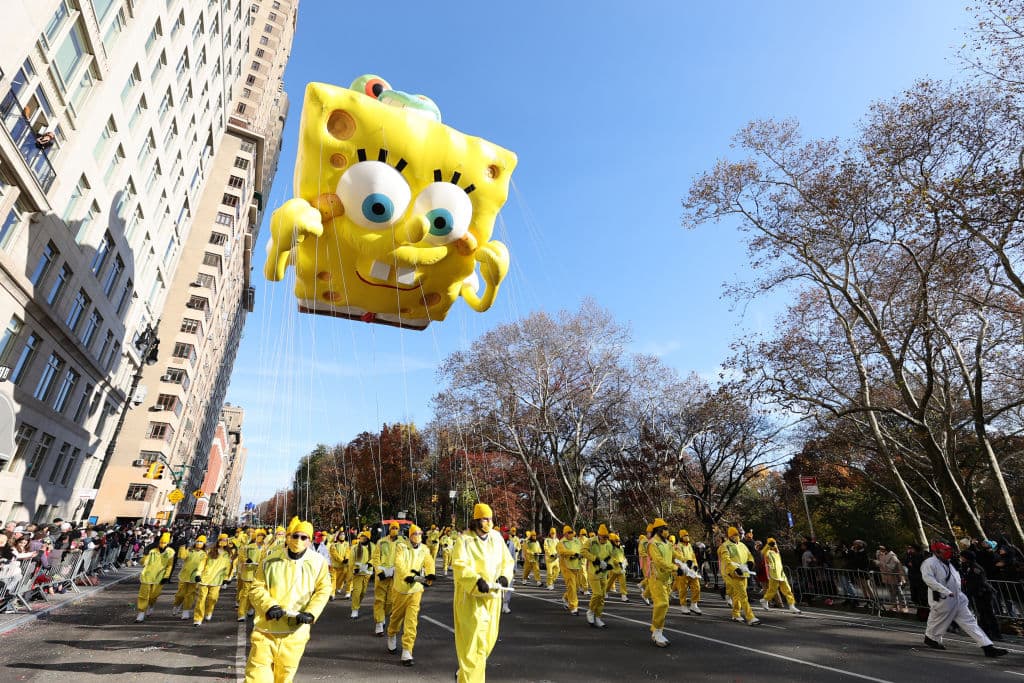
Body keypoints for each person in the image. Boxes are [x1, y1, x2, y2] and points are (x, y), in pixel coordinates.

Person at [244, 516, 332, 683]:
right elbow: (257, 587)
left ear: (309, 540)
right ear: (288, 537)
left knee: (284, 678)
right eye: (295, 536)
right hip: (266, 630)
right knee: (256, 678)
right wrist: (269, 606)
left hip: (295, 633)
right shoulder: (270, 560)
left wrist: (311, 613)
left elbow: (324, 589)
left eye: (303, 537)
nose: (298, 540)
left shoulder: (317, 562)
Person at [451, 503, 513, 683]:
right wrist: (476, 581)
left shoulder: (496, 537)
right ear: (476, 520)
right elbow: (460, 565)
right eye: (485, 519)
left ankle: (464, 674)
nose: (489, 522)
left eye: (490, 519)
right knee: (473, 646)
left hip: (493, 597)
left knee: (487, 643)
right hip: (471, 599)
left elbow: (506, 561)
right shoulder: (464, 540)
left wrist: (504, 577)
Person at [921, 541, 1006, 658]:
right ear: (937, 551)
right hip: (942, 599)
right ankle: (931, 638)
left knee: (970, 622)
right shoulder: (929, 563)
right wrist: (945, 591)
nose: (948, 552)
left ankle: (987, 647)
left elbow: (956, 580)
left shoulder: (949, 563)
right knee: (937, 621)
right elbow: (929, 580)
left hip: (957, 599)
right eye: (944, 550)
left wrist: (961, 595)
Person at [388, 524, 436, 665]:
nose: (418, 536)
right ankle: (391, 634)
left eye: (420, 533)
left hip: (415, 590)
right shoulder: (401, 547)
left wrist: (430, 574)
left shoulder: (424, 549)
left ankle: (407, 651)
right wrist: (407, 576)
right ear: (410, 535)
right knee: (396, 617)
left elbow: (429, 562)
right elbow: (399, 563)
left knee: (411, 621)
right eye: (415, 534)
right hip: (400, 589)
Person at [646, 518, 679, 647]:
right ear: (658, 530)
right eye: (664, 529)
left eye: (667, 528)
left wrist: (686, 562)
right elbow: (659, 561)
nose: (666, 531)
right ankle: (656, 631)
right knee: (662, 604)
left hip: (666, 579)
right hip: (656, 578)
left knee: (664, 605)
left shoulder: (667, 543)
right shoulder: (653, 544)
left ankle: (658, 630)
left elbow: (675, 554)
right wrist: (676, 568)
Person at [718, 526, 760, 626]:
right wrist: (734, 569)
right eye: (734, 535)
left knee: (738, 595)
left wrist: (750, 562)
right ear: (730, 536)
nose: (737, 536)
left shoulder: (742, 545)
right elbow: (726, 559)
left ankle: (736, 614)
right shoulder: (725, 546)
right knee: (743, 596)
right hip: (734, 574)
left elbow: (749, 555)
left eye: (737, 534)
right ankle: (750, 617)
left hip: (744, 573)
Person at [193, 533, 235, 626]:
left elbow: (228, 567)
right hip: (205, 578)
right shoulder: (210, 551)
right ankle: (198, 618)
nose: (222, 542)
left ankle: (209, 612)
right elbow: (202, 563)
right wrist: (198, 574)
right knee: (201, 599)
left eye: (225, 540)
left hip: (217, 580)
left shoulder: (228, 554)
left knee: (212, 598)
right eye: (221, 540)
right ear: (218, 541)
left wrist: (226, 578)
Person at [960, 550, 1002, 642]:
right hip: (977, 593)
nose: (961, 558)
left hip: (983, 593)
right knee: (982, 614)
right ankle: (986, 633)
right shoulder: (968, 566)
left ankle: (995, 634)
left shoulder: (975, 568)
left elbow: (980, 582)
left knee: (988, 614)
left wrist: (972, 592)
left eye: (962, 556)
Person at [135, 532, 174, 622]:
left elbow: (170, 565)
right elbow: (143, 562)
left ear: (168, 543)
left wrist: (166, 576)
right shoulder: (152, 550)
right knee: (143, 595)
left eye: (164, 543)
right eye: (161, 542)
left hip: (159, 577)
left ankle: (151, 605)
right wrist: (144, 555)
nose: (162, 544)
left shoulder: (170, 552)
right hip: (147, 575)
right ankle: (141, 613)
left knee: (153, 595)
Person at [371, 522, 401, 636]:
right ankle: (379, 623)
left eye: (396, 528)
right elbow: (375, 558)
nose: (394, 530)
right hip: (382, 575)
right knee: (379, 600)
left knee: (390, 601)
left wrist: (398, 571)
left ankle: (383, 616)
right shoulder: (381, 542)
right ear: (389, 529)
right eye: (392, 528)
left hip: (394, 576)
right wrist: (379, 572)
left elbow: (404, 559)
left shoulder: (402, 543)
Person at [583, 524, 614, 628]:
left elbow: (611, 556)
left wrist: (610, 565)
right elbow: (583, 551)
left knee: (602, 597)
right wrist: (594, 559)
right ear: (599, 535)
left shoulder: (609, 544)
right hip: (593, 572)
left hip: (604, 574)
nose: (606, 539)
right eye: (604, 537)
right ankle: (591, 611)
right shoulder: (591, 541)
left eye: (607, 537)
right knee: (597, 594)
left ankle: (598, 617)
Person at [760, 538, 800, 614]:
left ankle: (792, 606)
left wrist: (774, 545)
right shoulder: (768, 552)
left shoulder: (777, 552)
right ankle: (764, 600)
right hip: (773, 574)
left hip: (781, 574)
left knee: (788, 590)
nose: (774, 545)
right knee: (772, 590)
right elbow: (762, 553)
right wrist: (768, 545)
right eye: (773, 544)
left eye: (775, 543)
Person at [173, 535, 208, 621]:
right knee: (180, 594)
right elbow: (182, 556)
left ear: (204, 544)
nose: (199, 543)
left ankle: (186, 611)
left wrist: (200, 576)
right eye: (198, 541)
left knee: (190, 595)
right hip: (184, 576)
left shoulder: (204, 554)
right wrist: (182, 546)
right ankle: (177, 605)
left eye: (201, 542)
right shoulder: (189, 550)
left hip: (194, 578)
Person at [673, 529, 702, 614]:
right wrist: (686, 562)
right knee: (683, 589)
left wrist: (695, 565)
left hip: (692, 571)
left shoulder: (689, 546)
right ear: (681, 537)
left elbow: (693, 557)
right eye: (685, 536)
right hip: (683, 570)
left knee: (697, 587)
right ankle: (683, 606)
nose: (687, 537)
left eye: (687, 535)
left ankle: (694, 604)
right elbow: (679, 557)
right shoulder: (678, 546)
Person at [237, 530, 264, 620]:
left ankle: (251, 608)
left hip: (259, 575)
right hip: (248, 573)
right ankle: (241, 613)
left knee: (255, 594)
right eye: (258, 535)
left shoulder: (266, 548)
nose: (260, 537)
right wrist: (246, 560)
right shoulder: (248, 547)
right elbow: (241, 555)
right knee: (245, 594)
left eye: (262, 536)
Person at [556, 526, 583, 615]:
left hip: (577, 566)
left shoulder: (577, 541)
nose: (571, 534)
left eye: (572, 532)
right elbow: (562, 552)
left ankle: (566, 597)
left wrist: (582, 555)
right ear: (565, 534)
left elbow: (582, 550)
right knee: (572, 586)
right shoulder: (561, 543)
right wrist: (573, 553)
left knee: (577, 587)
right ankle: (574, 607)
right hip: (566, 567)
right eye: (569, 532)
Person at [606, 532, 629, 602]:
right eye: (616, 541)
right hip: (614, 568)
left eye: (619, 541)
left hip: (621, 568)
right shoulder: (611, 549)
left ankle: (624, 595)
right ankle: (604, 591)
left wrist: (625, 562)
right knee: (610, 581)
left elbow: (623, 556)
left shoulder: (621, 548)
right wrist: (618, 562)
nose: (618, 542)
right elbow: (611, 558)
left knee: (623, 582)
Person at [328, 529, 350, 599]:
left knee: (340, 580)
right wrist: (342, 560)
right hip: (334, 566)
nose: (342, 536)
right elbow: (334, 554)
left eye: (343, 534)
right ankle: (332, 594)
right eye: (341, 534)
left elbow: (348, 551)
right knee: (333, 580)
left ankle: (337, 589)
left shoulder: (347, 544)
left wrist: (346, 558)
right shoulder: (333, 544)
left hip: (343, 566)